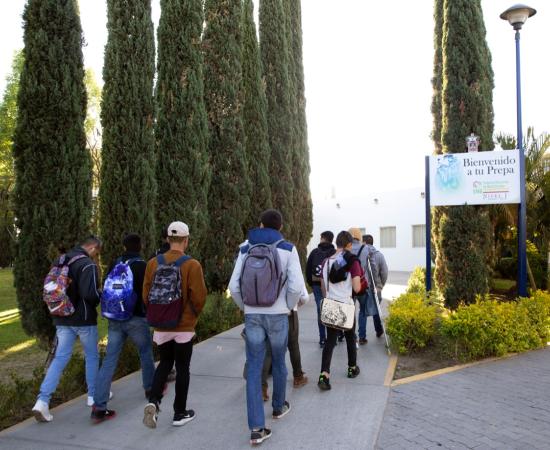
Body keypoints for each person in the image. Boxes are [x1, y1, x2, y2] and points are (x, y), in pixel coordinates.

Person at [229, 209, 305, 446]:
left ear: (260, 225)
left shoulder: (245, 248)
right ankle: (279, 407)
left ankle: (256, 429)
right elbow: (296, 287)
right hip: (278, 315)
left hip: (252, 315)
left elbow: (233, 286)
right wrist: (287, 306)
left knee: (254, 367)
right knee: (279, 360)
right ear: (280, 227)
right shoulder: (288, 249)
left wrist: (246, 307)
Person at [142, 221, 207, 428]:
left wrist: (159, 314)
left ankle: (153, 401)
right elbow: (199, 297)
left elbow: (146, 294)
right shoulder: (192, 264)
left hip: (161, 325)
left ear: (168, 239)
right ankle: (179, 413)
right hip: (183, 327)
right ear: (186, 240)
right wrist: (192, 316)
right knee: (183, 368)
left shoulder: (153, 263)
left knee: (164, 363)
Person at [32, 236, 102, 422]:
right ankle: (93, 396)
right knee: (92, 356)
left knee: (60, 358)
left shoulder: (60, 260)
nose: (96, 257)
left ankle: (42, 401)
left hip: (61, 317)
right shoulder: (87, 264)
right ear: (93, 248)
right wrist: (101, 296)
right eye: (97, 253)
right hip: (83, 319)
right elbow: (90, 295)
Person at [91, 234, 155, 423]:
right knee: (145, 352)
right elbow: (148, 292)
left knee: (109, 360)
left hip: (115, 318)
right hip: (136, 318)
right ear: (140, 246)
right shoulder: (142, 265)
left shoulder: (115, 263)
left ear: (124, 247)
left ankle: (99, 407)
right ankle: (150, 389)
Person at [317, 231, 363, 391]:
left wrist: (330, 297)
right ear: (349, 244)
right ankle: (352, 368)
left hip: (331, 304)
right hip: (346, 305)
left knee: (330, 341)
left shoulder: (326, 262)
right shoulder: (352, 261)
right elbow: (356, 288)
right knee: (350, 337)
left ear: (337, 243)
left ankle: (324, 375)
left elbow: (323, 287)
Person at [305, 231, 336, 347]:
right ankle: (333, 338)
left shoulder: (314, 252)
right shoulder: (334, 253)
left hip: (317, 285)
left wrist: (312, 284)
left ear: (322, 238)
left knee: (320, 310)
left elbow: (308, 269)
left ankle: (322, 338)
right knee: (332, 310)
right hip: (331, 286)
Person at [362, 234, 388, 339]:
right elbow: (384, 272)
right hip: (376, 287)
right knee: (376, 307)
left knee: (363, 310)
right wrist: (380, 285)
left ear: (364, 242)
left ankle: (362, 336)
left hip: (363, 286)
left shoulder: (360, 254)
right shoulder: (380, 255)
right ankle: (379, 330)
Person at [348, 228, 370, 345]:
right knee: (363, 310)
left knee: (350, 310)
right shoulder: (365, 248)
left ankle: (353, 336)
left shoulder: (347, 249)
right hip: (362, 284)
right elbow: (370, 266)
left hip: (349, 286)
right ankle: (362, 336)